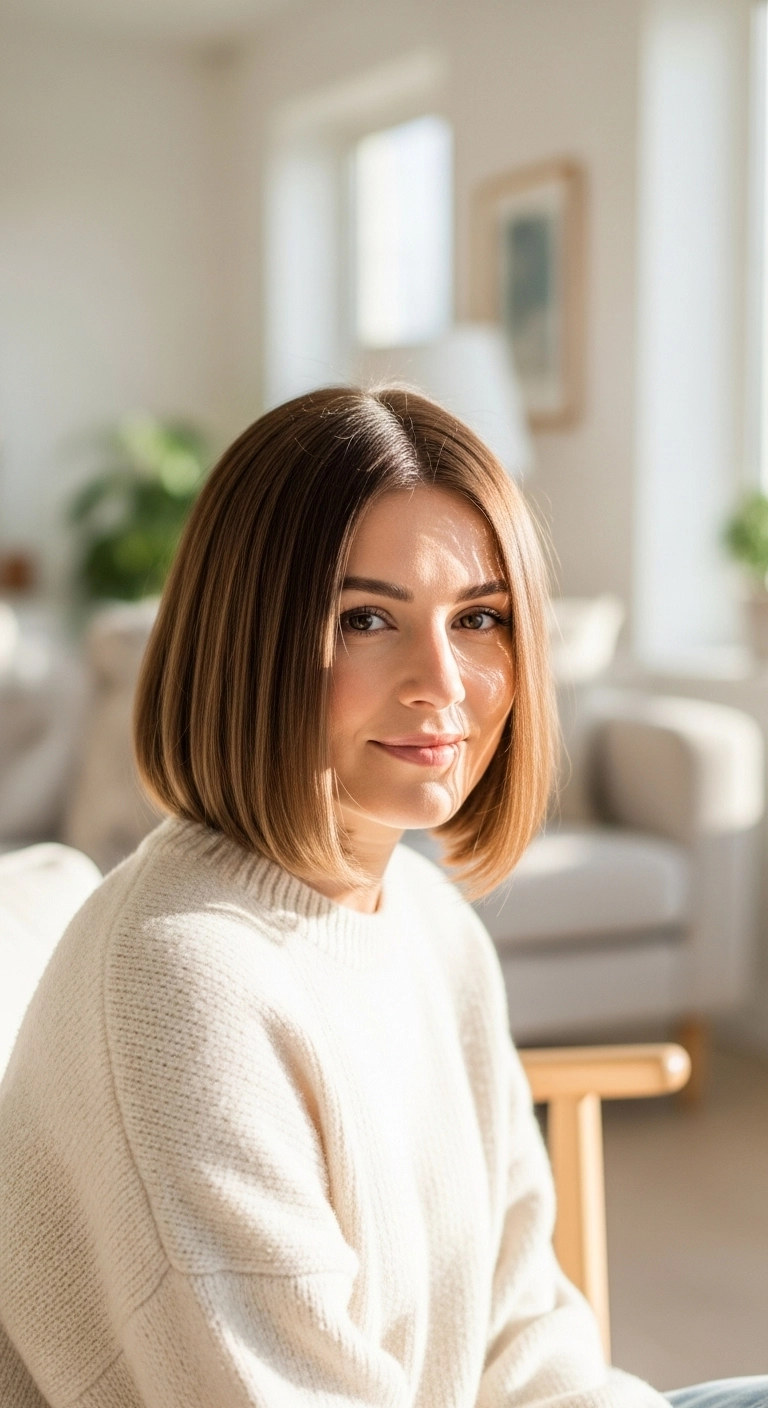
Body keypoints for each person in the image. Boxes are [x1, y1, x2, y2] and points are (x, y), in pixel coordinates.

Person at [0, 387, 764, 1408]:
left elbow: (525, 1333)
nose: (441, 679)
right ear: (251, 638)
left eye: (481, 618)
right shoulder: (185, 986)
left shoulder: (428, 921)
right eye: (367, 618)